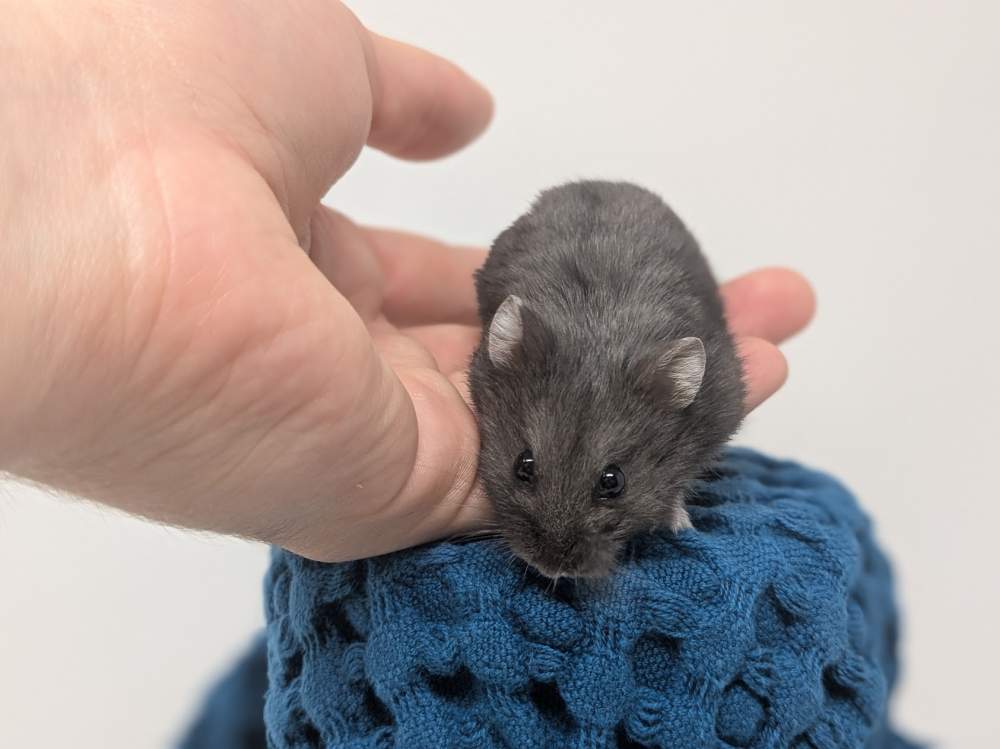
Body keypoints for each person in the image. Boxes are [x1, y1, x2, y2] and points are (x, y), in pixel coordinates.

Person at [0, 1, 814, 563]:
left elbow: (713, 390)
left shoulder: (691, 389)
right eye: (522, 472)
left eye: (611, 487)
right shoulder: (516, 347)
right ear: (502, 360)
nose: (555, 542)